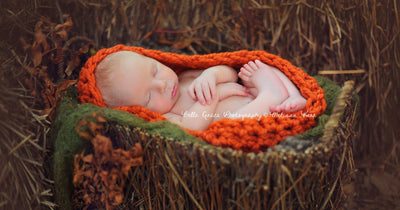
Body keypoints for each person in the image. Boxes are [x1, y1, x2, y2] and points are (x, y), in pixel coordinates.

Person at [95, 51, 307, 131]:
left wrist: (211, 76)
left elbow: (230, 73)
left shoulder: (186, 75)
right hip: (251, 117)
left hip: (254, 94)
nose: (162, 85)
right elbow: (192, 127)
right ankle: (272, 97)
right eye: (149, 97)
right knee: (230, 125)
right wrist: (216, 95)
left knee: (256, 65)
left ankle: (293, 96)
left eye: (155, 71)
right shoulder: (167, 117)